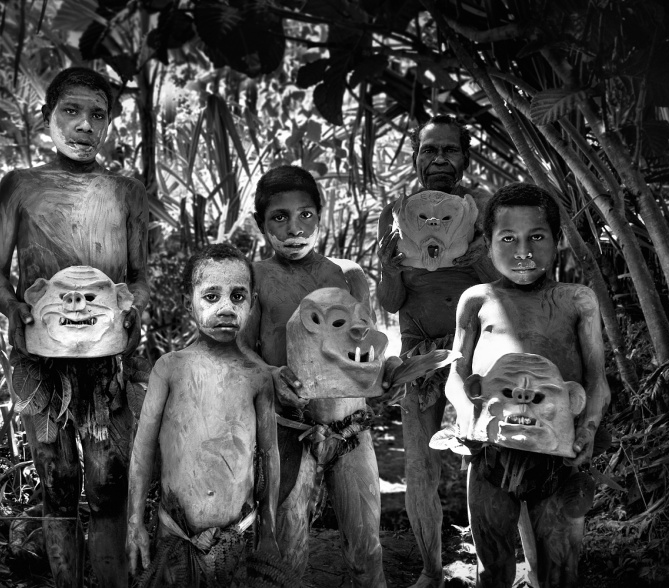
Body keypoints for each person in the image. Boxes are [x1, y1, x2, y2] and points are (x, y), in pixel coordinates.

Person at [0, 67, 149, 587]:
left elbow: (140, 278)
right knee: (56, 482)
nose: (84, 125)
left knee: (108, 482)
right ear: (47, 117)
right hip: (40, 360)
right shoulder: (19, 187)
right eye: (71, 111)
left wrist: (133, 308)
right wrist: (12, 307)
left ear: (109, 124)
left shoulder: (127, 192)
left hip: (107, 361)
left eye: (97, 114)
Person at [445, 183, 610, 587]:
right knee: (493, 565)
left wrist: (588, 428)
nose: (523, 252)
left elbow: (597, 381)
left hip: (557, 457)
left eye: (536, 237)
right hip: (491, 454)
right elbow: (456, 374)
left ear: (558, 240)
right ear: (487, 243)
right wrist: (465, 413)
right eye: (508, 238)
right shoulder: (476, 300)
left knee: (559, 569)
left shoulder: (578, 300)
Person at [239, 165, 386, 587]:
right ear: (260, 224)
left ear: (321, 216)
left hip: (350, 426)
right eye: (279, 217)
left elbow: (367, 345)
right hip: (286, 430)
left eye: (305, 215)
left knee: (366, 547)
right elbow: (240, 349)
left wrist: (386, 373)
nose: (294, 228)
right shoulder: (254, 277)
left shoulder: (348, 275)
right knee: (286, 551)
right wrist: (270, 373)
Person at [376, 114, 497, 588]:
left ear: (465, 158)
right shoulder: (397, 214)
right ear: (415, 159)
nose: (440, 159)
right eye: (430, 150)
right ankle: (431, 570)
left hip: (478, 349)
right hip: (419, 351)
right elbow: (391, 303)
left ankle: (490, 569)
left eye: (450, 150)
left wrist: (479, 258)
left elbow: (506, 291)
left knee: (484, 457)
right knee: (419, 463)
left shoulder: (485, 209)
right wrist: (389, 268)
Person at [126, 244, 280, 587]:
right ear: (188, 303)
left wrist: (269, 528)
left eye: (237, 297)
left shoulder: (258, 377)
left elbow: (270, 455)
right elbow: (143, 448)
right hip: (174, 534)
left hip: (238, 536)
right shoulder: (169, 368)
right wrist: (134, 521)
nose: (226, 308)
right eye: (211, 296)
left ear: (252, 303)